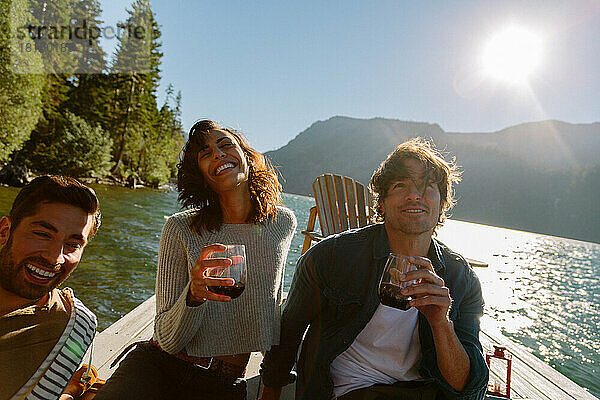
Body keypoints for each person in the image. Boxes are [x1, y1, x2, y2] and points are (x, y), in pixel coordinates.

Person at [260, 138, 489, 400]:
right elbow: (288, 334)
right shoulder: (331, 258)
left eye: (428, 185)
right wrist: (269, 393)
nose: (415, 194)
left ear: (442, 204)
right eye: (401, 184)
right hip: (350, 390)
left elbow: (468, 387)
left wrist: (440, 322)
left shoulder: (461, 280)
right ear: (381, 203)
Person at [96, 120, 296, 399]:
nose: (217, 154)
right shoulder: (181, 229)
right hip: (161, 367)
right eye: (206, 154)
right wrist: (194, 295)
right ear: (202, 176)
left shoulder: (281, 223)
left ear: (248, 159)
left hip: (225, 384)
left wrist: (272, 387)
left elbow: (268, 312)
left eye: (225, 145)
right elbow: (167, 339)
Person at [0, 175, 101, 400]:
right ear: (5, 232)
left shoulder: (73, 327)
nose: (55, 257)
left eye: (73, 245)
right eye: (43, 234)